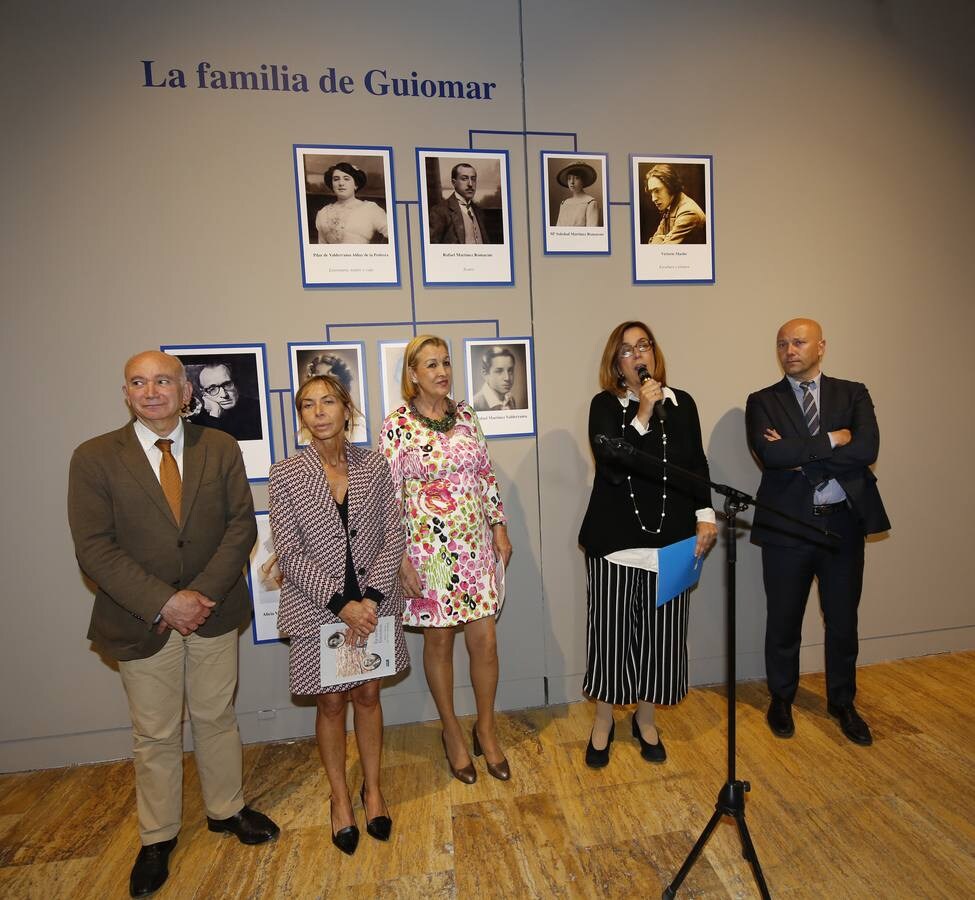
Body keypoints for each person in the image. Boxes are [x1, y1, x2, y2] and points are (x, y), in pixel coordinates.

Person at [67, 351, 278, 898]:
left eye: (163, 380)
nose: (151, 391)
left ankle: (226, 810)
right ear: (127, 394)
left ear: (185, 392)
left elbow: (240, 526)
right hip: (143, 620)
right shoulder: (94, 458)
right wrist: (165, 602)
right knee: (156, 732)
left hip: (212, 613)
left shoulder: (220, 447)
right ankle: (157, 837)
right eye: (138, 382)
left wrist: (200, 595)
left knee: (216, 714)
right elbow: (94, 549)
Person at [268, 374, 409, 855]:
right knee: (330, 704)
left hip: (375, 606)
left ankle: (373, 791)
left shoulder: (374, 465)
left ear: (347, 409)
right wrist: (341, 605)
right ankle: (340, 800)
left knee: (368, 697)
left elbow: (394, 534)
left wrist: (368, 600)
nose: (319, 411)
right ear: (303, 417)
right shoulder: (285, 474)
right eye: (308, 405)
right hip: (318, 610)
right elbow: (288, 553)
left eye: (328, 401)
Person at [578, 322, 717, 768]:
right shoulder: (606, 406)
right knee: (612, 639)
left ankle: (646, 718)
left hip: (672, 546)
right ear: (615, 363)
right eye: (626, 350)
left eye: (643, 346)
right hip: (616, 544)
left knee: (662, 640)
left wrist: (705, 515)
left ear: (654, 354)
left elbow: (696, 462)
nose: (637, 355)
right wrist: (640, 412)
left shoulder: (683, 404)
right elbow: (613, 464)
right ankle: (603, 721)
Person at [746, 318, 890, 746]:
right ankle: (781, 699)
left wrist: (803, 454)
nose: (789, 350)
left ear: (821, 346)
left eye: (799, 342)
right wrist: (835, 439)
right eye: (782, 343)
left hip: (842, 525)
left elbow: (868, 449)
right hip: (787, 527)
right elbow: (771, 455)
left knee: (843, 622)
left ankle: (842, 703)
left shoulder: (853, 393)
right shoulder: (763, 400)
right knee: (784, 622)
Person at [380, 335, 513, 783]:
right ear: (413, 374)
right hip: (428, 552)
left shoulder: (468, 416)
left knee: (486, 641)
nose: (442, 371)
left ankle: (487, 728)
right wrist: (399, 556)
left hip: (473, 546)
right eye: (431, 364)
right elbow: (386, 497)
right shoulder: (397, 425)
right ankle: (452, 732)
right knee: (439, 642)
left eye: (446, 363)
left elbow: (485, 474)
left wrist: (498, 524)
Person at [186, 360, 263, 441]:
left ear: (235, 383)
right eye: (212, 389)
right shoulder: (197, 424)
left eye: (227, 384)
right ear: (204, 393)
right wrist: (214, 416)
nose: (224, 395)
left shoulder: (258, 409)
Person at [315, 161, 389, 244]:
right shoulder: (323, 213)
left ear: (356, 185)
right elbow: (321, 247)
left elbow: (392, 234)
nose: (341, 183)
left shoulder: (370, 209)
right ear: (332, 185)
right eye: (336, 179)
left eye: (346, 179)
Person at [428, 162, 500, 244]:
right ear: (454, 182)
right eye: (464, 178)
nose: (470, 184)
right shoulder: (439, 211)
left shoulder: (478, 211)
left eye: (473, 179)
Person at [645, 164, 706, 244]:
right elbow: (655, 239)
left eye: (657, 191)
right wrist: (662, 238)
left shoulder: (689, 213)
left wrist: (663, 238)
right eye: (651, 192)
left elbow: (662, 252)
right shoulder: (671, 207)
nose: (653, 199)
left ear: (670, 186)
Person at [554, 161, 601, 227]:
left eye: (576, 178)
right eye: (569, 178)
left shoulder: (590, 202)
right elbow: (557, 230)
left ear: (583, 180)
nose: (572, 182)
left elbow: (591, 233)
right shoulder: (564, 203)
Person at [472, 346, 519, 411]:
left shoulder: (510, 400)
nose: (507, 378)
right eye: (499, 371)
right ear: (485, 374)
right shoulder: (475, 404)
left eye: (510, 371)